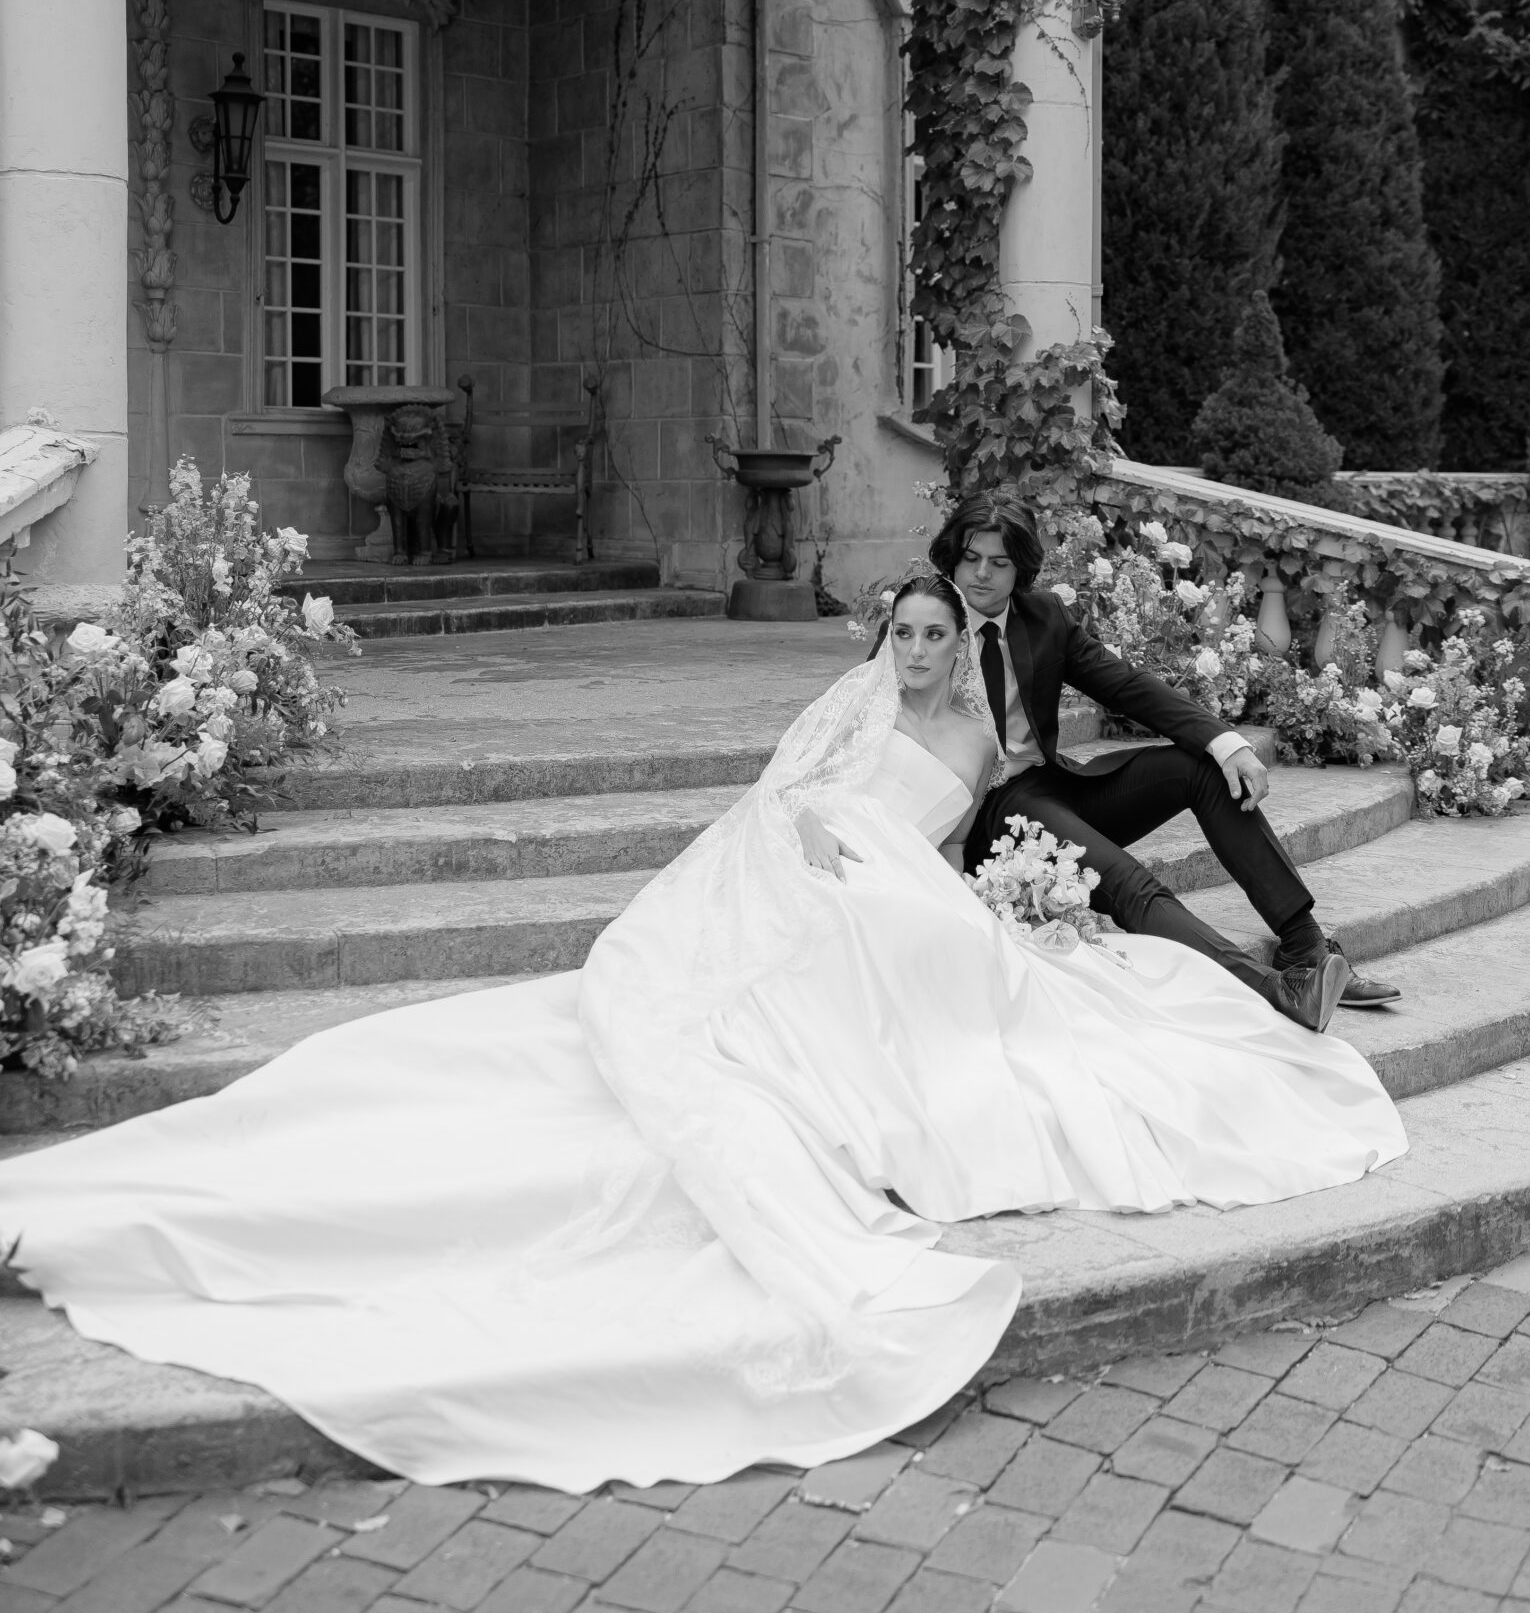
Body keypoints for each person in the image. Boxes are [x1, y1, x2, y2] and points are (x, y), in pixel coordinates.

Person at [0, 573, 1403, 1495]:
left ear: (957, 648)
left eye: (933, 638)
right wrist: (811, 845)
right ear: (880, 644)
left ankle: (1191, 991)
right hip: (808, 874)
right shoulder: (848, 713)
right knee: (758, 966)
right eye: (900, 635)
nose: (915, 653)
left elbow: (997, 830)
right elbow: (781, 802)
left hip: (908, 898)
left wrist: (1029, 896)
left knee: (934, 955)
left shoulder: (984, 747)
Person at [932, 494, 1402, 1031]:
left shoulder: (1042, 618)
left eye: (1000, 562)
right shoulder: (927, 626)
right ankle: (1272, 989)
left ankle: (1305, 950)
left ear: (1022, 567)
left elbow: (1126, 686)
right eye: (972, 559)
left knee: (1201, 769)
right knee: (1128, 882)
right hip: (992, 816)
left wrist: (1225, 741)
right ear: (953, 557)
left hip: (1050, 785)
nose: (983, 575)